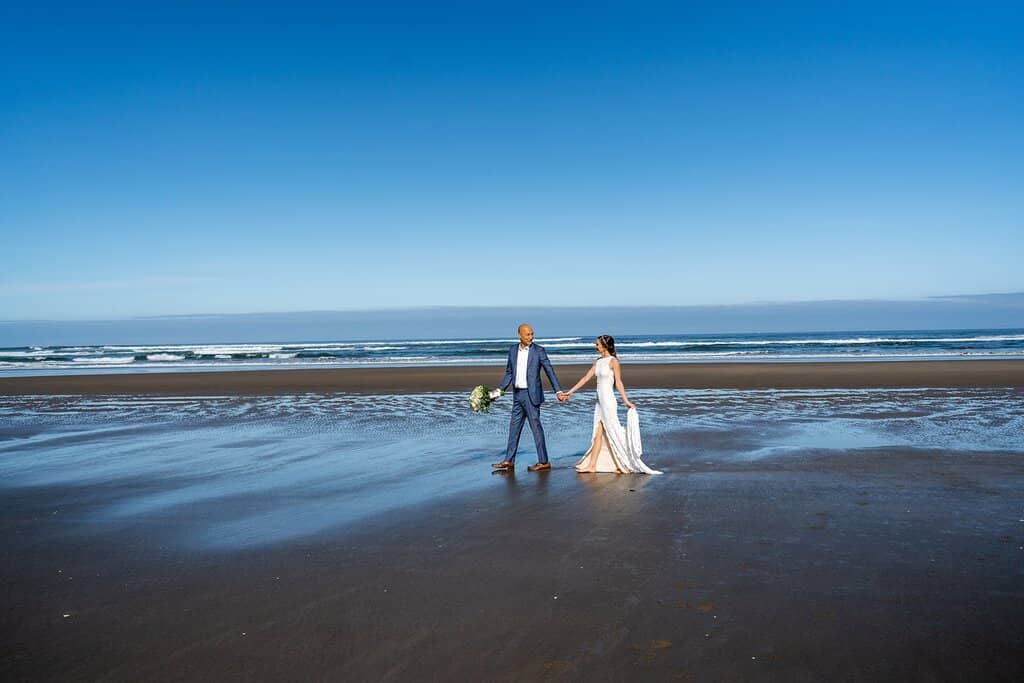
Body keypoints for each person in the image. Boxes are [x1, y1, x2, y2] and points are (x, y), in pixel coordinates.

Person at [562, 335, 661, 474]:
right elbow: (585, 378)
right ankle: (592, 466)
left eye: (597, 344)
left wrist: (626, 401)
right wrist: (570, 392)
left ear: (604, 345)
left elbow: (618, 382)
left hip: (608, 402)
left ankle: (624, 463)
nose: (595, 346)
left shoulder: (613, 362)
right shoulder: (598, 361)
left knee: (613, 431)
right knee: (598, 434)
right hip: (599, 403)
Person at [490, 324, 566, 472]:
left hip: (532, 396)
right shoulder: (512, 350)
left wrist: (558, 391)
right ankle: (509, 460)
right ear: (519, 335)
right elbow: (509, 373)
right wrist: (499, 391)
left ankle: (543, 461)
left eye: (532, 334)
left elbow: (550, 371)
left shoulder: (539, 351)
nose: (531, 337)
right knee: (514, 428)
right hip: (517, 395)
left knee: (536, 428)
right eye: (527, 335)